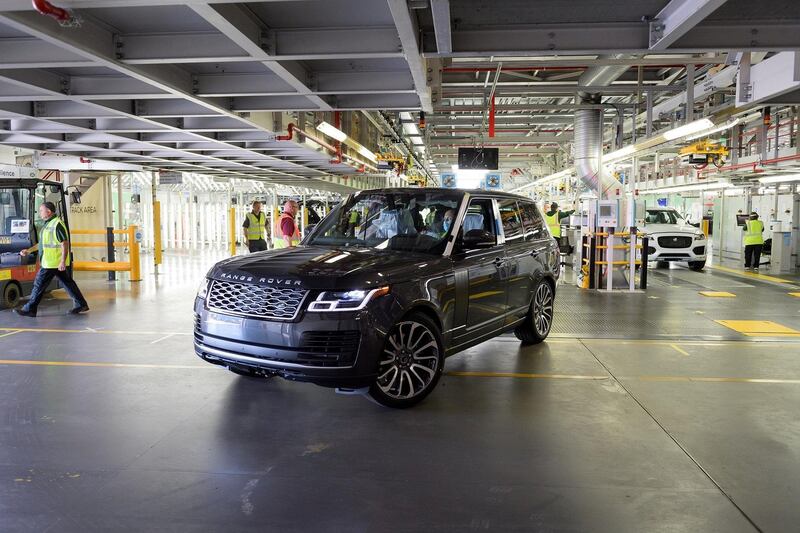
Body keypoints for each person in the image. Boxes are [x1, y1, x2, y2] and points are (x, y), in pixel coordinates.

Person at [15, 202, 89, 317]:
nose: (39, 213)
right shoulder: (48, 224)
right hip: (52, 262)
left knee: (38, 284)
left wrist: (62, 262)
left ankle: (30, 308)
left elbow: (64, 243)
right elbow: (42, 244)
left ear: (48, 212)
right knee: (68, 283)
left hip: (53, 263)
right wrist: (29, 250)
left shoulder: (57, 224)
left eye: (41, 210)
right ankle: (81, 304)